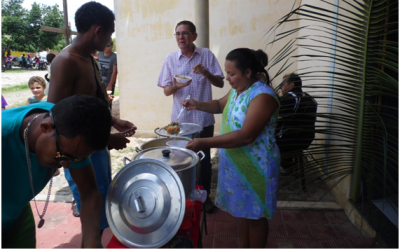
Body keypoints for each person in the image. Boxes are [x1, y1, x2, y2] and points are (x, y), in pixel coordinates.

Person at [48, 1, 136, 231]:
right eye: (110, 34)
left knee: (102, 198)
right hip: (78, 150)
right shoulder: (66, 62)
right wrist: (106, 139)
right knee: (91, 205)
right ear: (98, 31)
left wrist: (113, 121)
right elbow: (55, 119)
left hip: (96, 146)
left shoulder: (89, 58)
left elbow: (91, 102)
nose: (110, 40)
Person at [184, 48, 280, 248]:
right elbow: (220, 105)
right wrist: (197, 104)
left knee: (256, 217)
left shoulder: (263, 96)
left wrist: (204, 142)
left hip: (256, 168)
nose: (227, 78)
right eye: (226, 73)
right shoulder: (239, 90)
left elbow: (247, 135)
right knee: (245, 213)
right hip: (237, 164)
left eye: (231, 73)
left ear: (247, 72)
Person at [2, 94, 111, 248]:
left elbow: (89, 193)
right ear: (45, 128)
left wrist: (91, 242)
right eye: (62, 156)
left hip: (16, 215)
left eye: (75, 159)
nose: (66, 165)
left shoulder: (68, 127)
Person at [157, 20, 224, 213]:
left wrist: (206, 73)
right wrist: (178, 85)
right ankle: (183, 197)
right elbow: (167, 91)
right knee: (182, 160)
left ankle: (204, 199)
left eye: (185, 33)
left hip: (203, 120)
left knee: (203, 160)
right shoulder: (170, 59)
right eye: (177, 34)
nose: (181, 37)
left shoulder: (206, 55)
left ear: (194, 36)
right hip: (181, 123)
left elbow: (219, 84)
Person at [275, 73, 318, 161]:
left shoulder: (289, 97)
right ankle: (290, 166)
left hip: (288, 141)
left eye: (283, 85)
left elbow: (275, 119)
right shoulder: (311, 99)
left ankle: (285, 168)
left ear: (291, 85)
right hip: (306, 140)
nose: (281, 88)